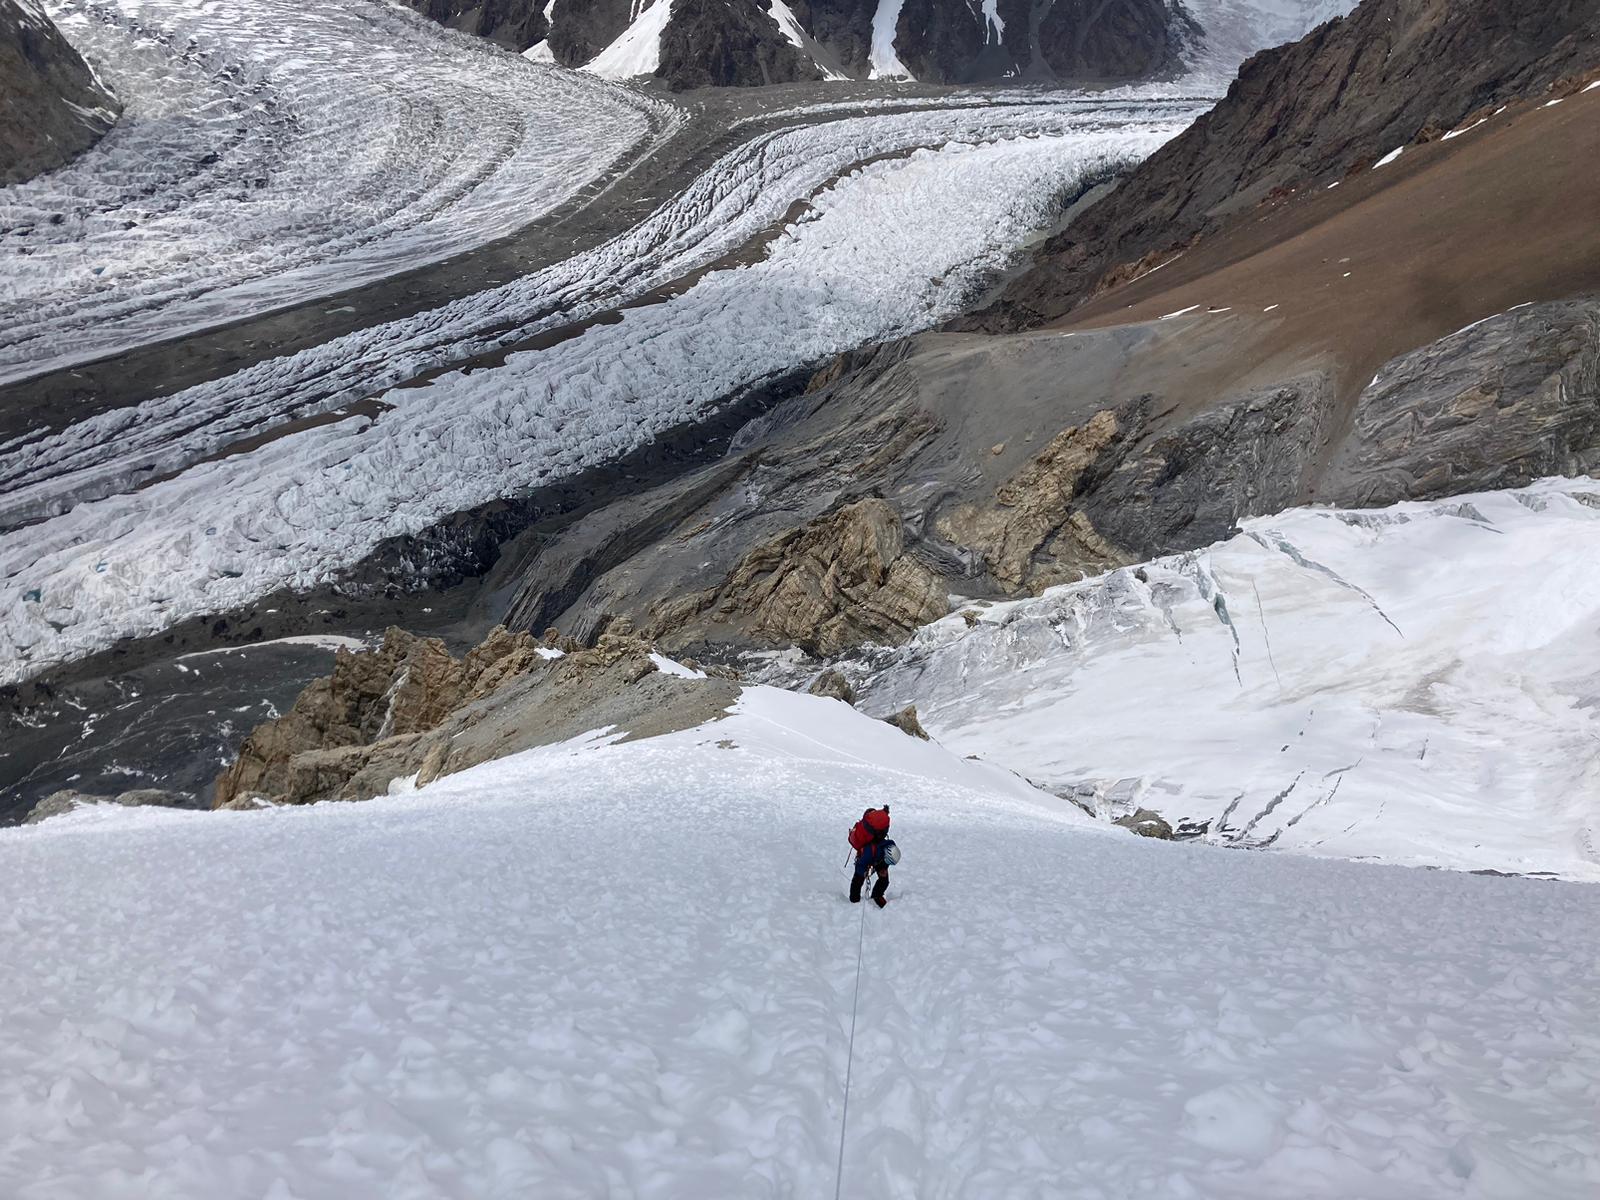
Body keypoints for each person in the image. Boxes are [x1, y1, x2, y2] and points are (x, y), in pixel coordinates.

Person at [848, 805, 892, 907]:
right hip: (879, 857)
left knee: (858, 880)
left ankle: (854, 900)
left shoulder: (864, 833)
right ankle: (877, 896)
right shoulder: (880, 836)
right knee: (884, 880)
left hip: (866, 857)